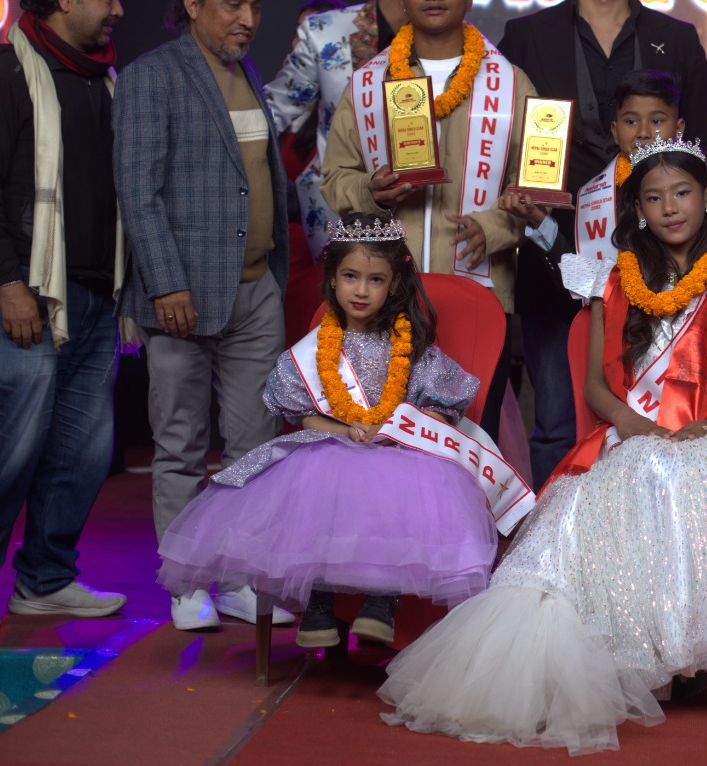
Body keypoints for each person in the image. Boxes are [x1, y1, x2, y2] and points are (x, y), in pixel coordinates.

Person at [378, 136, 707, 754]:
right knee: (643, 469)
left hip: (701, 436)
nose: (670, 208)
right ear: (637, 208)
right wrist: (630, 424)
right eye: (654, 198)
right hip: (628, 429)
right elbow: (594, 385)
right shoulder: (613, 280)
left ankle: (699, 645)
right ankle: (641, 645)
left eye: (683, 193)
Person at [157, 216, 530, 648]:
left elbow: (437, 413)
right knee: (316, 485)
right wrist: (344, 430)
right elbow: (305, 417)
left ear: (393, 284)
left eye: (375, 280)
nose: (361, 290)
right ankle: (319, 604)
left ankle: (381, 601)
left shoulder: (411, 349)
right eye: (351, 277)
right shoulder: (317, 349)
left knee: (396, 485)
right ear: (333, 278)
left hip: (398, 451)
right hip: (333, 444)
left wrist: (394, 429)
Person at [0, 0, 128, 628]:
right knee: (11, 440)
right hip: (27, 295)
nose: (118, 10)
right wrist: (10, 285)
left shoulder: (103, 79)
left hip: (97, 296)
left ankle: (46, 579)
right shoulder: (3, 75)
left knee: (82, 452)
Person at [499, 0, 707, 488]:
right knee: (556, 424)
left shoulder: (676, 38)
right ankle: (551, 539)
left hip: (663, 274)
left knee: (655, 419)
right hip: (554, 257)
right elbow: (506, 141)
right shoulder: (527, 36)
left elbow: (704, 151)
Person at [116, 0, 294, 632]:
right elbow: (138, 191)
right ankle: (186, 583)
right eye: (232, 5)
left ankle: (241, 581)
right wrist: (166, 283)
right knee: (181, 444)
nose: (248, 19)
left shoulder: (247, 73)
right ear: (192, 5)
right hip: (181, 297)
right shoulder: (151, 77)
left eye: (255, 6)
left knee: (254, 448)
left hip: (255, 290)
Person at [321, 0, 536, 442]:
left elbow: (533, 187)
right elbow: (335, 177)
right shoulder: (369, 83)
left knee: (474, 435)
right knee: (385, 437)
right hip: (384, 295)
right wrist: (371, 193)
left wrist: (495, 226)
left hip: (480, 292)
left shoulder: (510, 82)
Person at [264, 0, 454, 256]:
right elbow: (270, 114)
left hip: (428, 224)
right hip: (338, 221)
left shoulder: (453, 43)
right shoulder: (325, 33)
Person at [279, 0, 348, 344]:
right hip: (280, 257)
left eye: (313, 35)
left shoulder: (348, 111)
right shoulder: (280, 105)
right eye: (298, 32)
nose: (300, 42)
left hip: (326, 258)